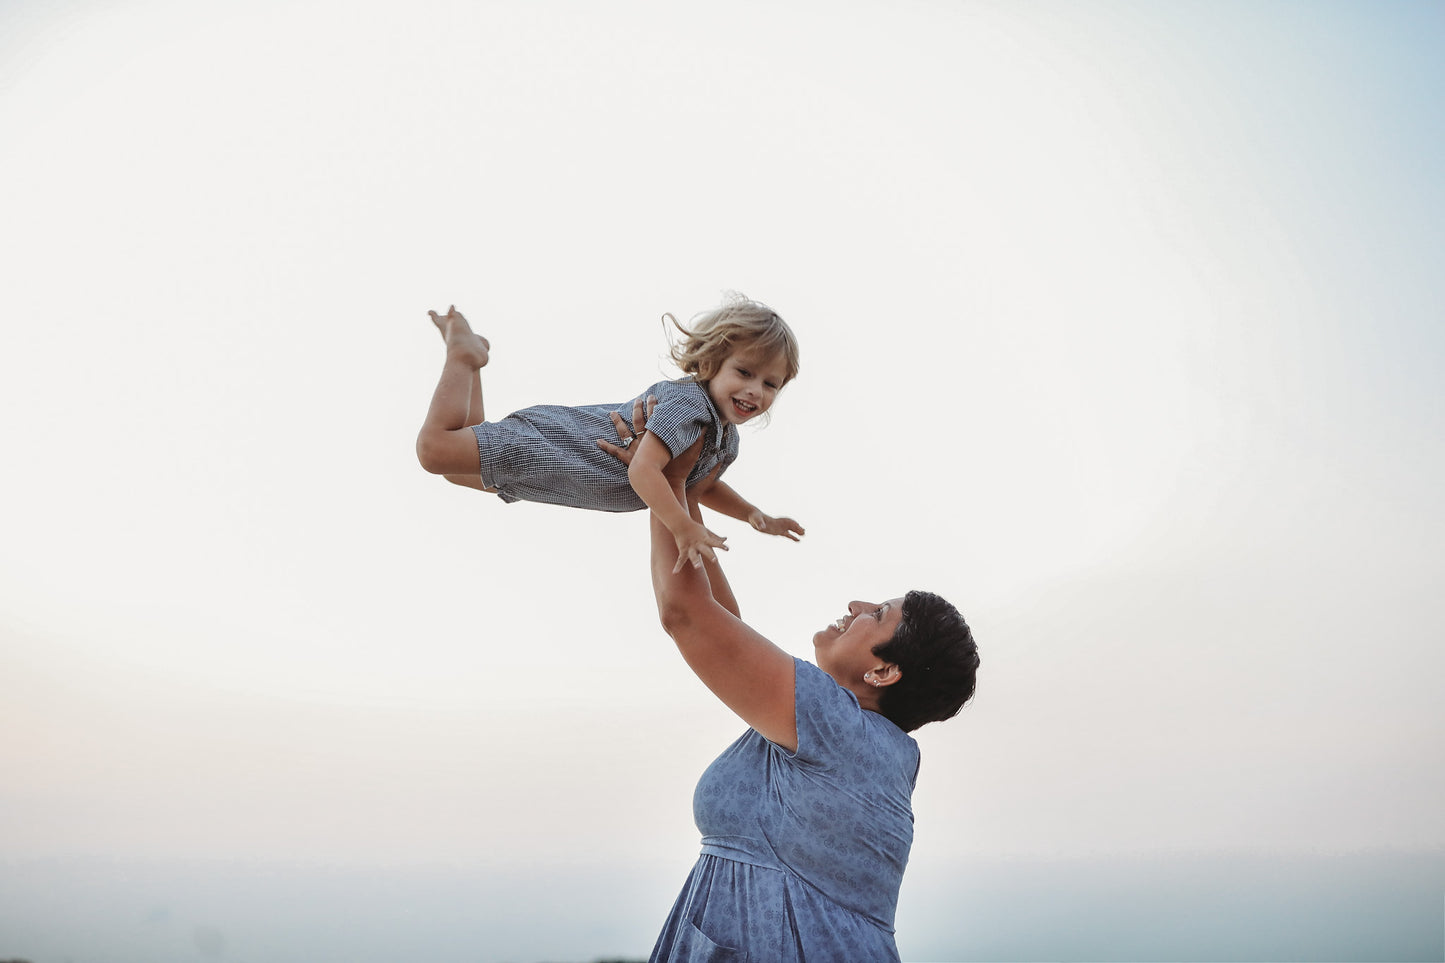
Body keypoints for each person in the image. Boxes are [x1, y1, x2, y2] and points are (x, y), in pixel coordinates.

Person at [598, 399, 981, 962]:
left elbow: (688, 618)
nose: (856, 603)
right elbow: (720, 624)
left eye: (877, 614)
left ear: (882, 671)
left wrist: (667, 477)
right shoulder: (861, 741)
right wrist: (675, 492)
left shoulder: (839, 730)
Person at [415, 294, 804, 569]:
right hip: (553, 449)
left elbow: (698, 486)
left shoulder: (725, 439)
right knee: (435, 451)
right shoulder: (689, 404)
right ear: (712, 364)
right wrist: (682, 527)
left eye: (771, 384)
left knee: (455, 468)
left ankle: (471, 365)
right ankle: (462, 356)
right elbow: (643, 469)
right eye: (745, 372)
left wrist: (755, 514)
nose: (756, 390)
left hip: (553, 477)